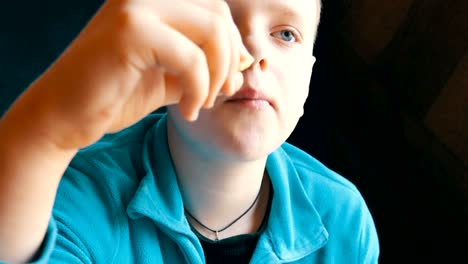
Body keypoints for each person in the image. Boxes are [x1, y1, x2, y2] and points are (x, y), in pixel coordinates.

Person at [0, 0, 379, 263]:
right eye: (222, 23)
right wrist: (50, 133)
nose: (254, 52)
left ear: (308, 79)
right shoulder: (73, 197)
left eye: (285, 34)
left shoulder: (345, 221)